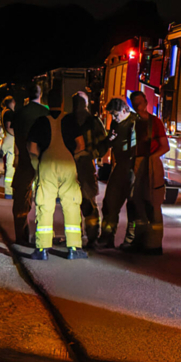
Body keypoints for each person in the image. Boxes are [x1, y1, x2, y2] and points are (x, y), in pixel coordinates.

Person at [27, 105, 87, 261]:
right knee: (71, 205)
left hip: (47, 165)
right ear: (62, 104)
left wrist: (39, 162)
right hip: (67, 164)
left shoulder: (41, 121)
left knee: (44, 205)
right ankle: (74, 248)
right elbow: (81, 144)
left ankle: (42, 249)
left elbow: (32, 148)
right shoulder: (70, 120)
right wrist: (71, 157)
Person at [126, 91, 169, 255]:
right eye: (135, 104)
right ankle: (140, 241)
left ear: (146, 102)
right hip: (136, 163)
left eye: (140, 103)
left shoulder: (155, 122)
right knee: (137, 204)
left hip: (151, 164)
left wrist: (151, 158)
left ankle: (154, 244)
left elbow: (165, 146)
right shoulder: (132, 123)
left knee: (153, 204)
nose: (138, 107)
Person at [66, 91, 111, 247]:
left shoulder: (67, 120)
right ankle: (91, 237)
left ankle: (75, 237)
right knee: (88, 201)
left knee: (72, 201)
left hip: (70, 164)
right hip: (84, 164)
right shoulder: (94, 122)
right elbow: (103, 145)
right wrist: (93, 153)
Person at [11, 85, 49, 245]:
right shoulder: (45, 112)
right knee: (45, 202)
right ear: (41, 95)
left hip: (24, 162)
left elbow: (14, 132)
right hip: (43, 162)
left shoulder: (19, 113)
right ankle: (43, 239)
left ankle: (21, 236)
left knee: (21, 199)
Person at [98, 97, 136, 248]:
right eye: (112, 115)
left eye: (116, 114)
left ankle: (130, 240)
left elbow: (134, 147)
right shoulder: (115, 123)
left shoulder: (134, 122)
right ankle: (107, 236)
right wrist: (109, 140)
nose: (114, 118)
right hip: (119, 166)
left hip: (133, 168)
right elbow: (110, 141)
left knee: (132, 205)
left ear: (125, 110)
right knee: (109, 203)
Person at [0, 96, 16, 197]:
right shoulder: (9, 112)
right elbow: (9, 127)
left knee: (9, 166)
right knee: (11, 166)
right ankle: (9, 193)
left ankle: (9, 192)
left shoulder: (4, 111)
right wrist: (17, 134)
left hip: (6, 138)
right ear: (13, 102)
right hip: (11, 139)